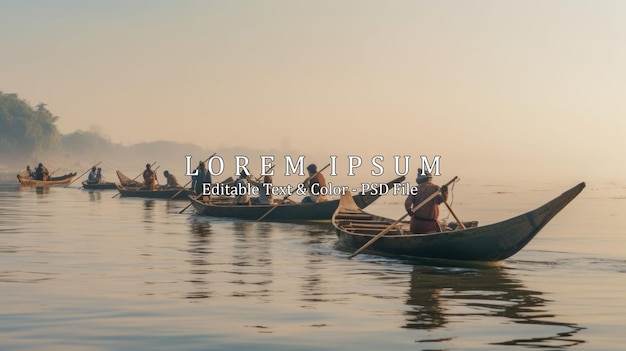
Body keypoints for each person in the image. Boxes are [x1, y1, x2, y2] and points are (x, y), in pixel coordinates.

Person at [404, 169, 449, 234]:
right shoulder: (435, 188)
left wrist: (409, 210)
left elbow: (407, 202)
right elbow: (442, 200)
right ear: (429, 178)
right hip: (430, 226)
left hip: (416, 225)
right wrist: (444, 192)